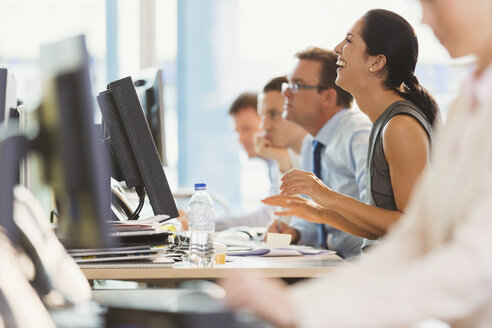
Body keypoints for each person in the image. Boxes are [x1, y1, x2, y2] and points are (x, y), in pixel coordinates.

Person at [221, 1, 492, 327]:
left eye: (435, 2)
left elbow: (474, 266)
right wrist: (299, 304)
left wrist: (307, 308)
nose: (424, 17)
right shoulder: (467, 105)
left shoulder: (399, 125)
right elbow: (413, 238)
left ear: (377, 62)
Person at [263, 9, 439, 241]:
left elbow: (411, 226)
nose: (337, 48)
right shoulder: (384, 122)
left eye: (348, 40)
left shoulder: (400, 126)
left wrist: (328, 196)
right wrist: (319, 213)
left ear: (376, 62)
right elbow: (380, 229)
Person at [267, 47, 372, 259]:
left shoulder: (358, 136)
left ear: (327, 98)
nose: (285, 92)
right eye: (289, 84)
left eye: (297, 85)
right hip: (326, 264)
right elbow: (315, 222)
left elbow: (377, 220)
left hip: (358, 265)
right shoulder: (311, 143)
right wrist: (296, 233)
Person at [213, 92, 280, 230]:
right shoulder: (272, 165)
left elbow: (267, 217)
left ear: (267, 124)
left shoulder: (283, 163)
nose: (240, 139)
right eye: (237, 131)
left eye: (247, 129)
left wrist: (204, 223)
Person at [255, 76, 307, 175]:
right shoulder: (283, 156)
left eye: (273, 114)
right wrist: (283, 163)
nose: (264, 126)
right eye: (262, 116)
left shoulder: (330, 159)